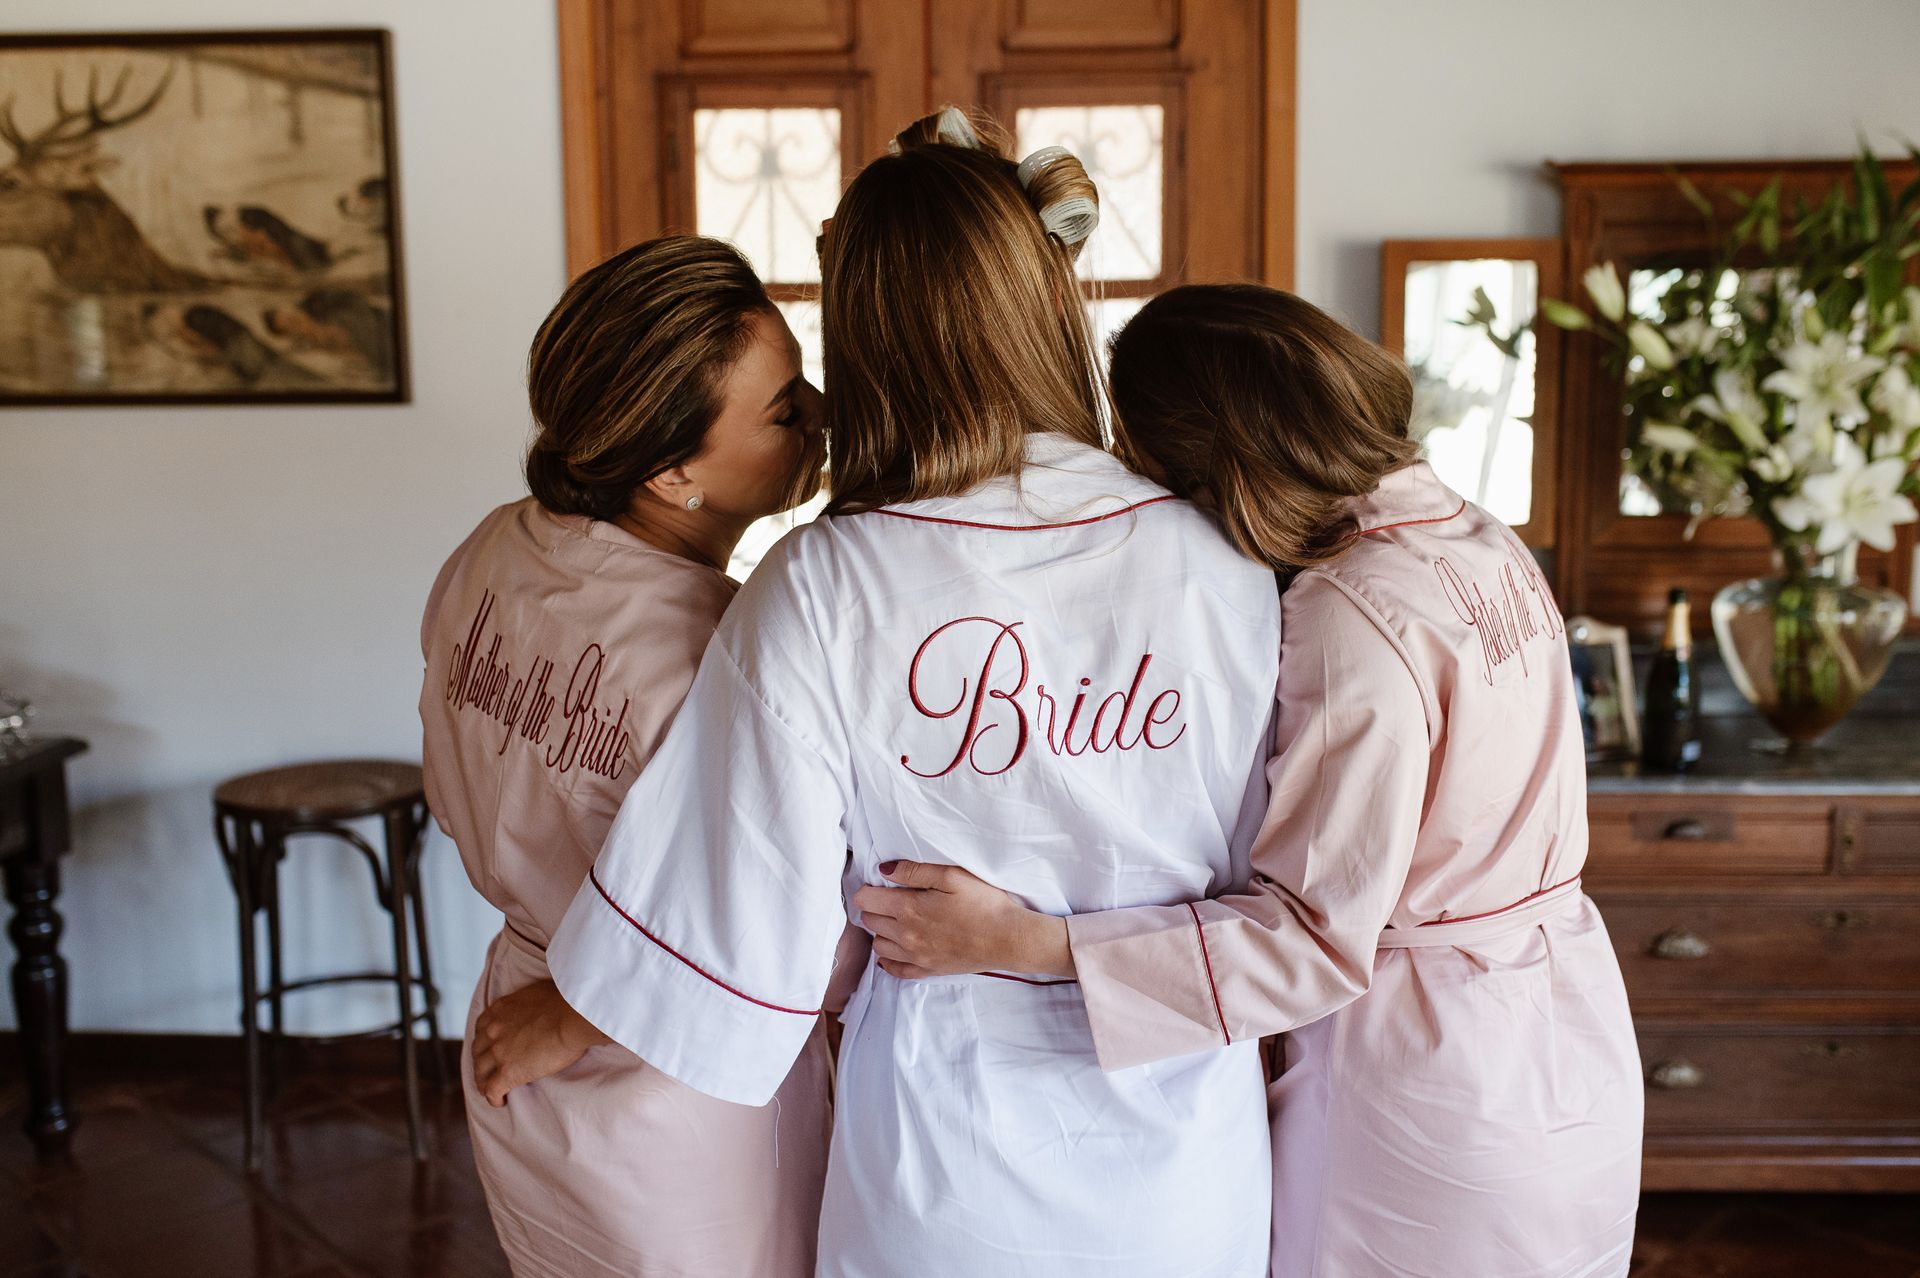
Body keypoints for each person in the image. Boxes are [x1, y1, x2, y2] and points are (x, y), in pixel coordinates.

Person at [524, 109, 1282, 1277]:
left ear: (864, 338)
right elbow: (1284, 880)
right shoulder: (1225, 561)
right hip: (1185, 1156)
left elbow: (744, 906)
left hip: (950, 1162)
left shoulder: (824, 584)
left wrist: (567, 1012)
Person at [859, 284, 1645, 1278]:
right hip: (1567, 1034)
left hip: (1430, 1082)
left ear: (1211, 464)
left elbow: (1311, 941)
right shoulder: (1481, 539)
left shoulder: (1353, 611)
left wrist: (1025, 942)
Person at [417, 234, 834, 1278]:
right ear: (673, 470)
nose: (822, 410)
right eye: (785, 408)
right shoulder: (720, 654)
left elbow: (457, 783)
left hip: (517, 1033)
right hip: (678, 1084)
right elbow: (788, 931)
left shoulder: (494, 548)